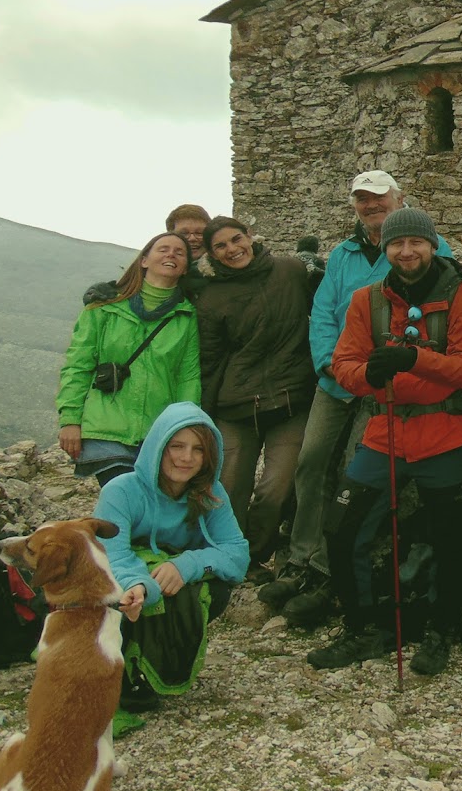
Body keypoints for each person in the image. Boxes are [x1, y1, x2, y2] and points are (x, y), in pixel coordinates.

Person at [265, 170, 455, 628]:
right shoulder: (342, 255)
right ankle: (301, 557)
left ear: (399, 198)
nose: (370, 206)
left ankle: (331, 570)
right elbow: (323, 315)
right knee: (311, 462)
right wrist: (329, 364)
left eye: (378, 198)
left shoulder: (429, 249)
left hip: (386, 385)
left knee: (355, 474)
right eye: (362, 200)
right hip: (337, 379)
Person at [307, 208, 462, 677]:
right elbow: (344, 363)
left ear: (432, 245)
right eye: (396, 244)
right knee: (343, 528)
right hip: (384, 434)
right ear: (385, 249)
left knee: (446, 537)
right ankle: (362, 626)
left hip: (446, 436)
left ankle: (441, 627)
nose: (406, 252)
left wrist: (411, 359)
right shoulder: (367, 301)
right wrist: (370, 373)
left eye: (416, 243)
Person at [95, 402, 249, 710]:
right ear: (157, 447)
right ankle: (119, 667)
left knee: (215, 590)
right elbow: (112, 555)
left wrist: (186, 565)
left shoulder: (210, 493)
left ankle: (155, 663)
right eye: (176, 446)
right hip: (126, 582)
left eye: (198, 450)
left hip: (169, 577)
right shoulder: (120, 491)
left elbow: (237, 554)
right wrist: (139, 586)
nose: (186, 458)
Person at [194, 216, 320, 569]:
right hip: (235, 405)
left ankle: (254, 553)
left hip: (291, 399)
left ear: (250, 237)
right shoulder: (211, 296)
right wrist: (202, 415)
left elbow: (323, 315)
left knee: (275, 489)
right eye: (221, 246)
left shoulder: (292, 271)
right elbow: (209, 359)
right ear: (211, 254)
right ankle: (228, 556)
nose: (232, 249)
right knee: (229, 488)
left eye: (236, 239)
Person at [57, 233, 201, 486]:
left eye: (180, 253)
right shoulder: (103, 307)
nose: (171, 255)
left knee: (151, 511)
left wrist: (185, 427)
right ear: (144, 260)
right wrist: (70, 420)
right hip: (107, 429)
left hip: (158, 431)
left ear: (185, 268)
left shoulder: (186, 317)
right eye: (163, 249)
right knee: (123, 498)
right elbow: (78, 365)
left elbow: (187, 378)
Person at [82, 203, 211, 305]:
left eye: (199, 233)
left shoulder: (223, 272)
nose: (193, 238)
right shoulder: (152, 272)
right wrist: (99, 292)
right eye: (184, 233)